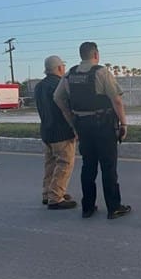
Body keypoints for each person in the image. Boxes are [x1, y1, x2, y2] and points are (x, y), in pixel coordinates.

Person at [54, 42, 131, 220]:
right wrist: (124, 124)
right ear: (95, 54)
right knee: (108, 167)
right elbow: (116, 100)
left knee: (88, 167)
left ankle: (87, 207)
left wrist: (72, 121)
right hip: (103, 125)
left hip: (82, 125)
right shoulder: (102, 72)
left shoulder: (69, 75)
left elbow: (58, 98)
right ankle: (114, 207)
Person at [34, 56, 77, 210]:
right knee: (64, 163)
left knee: (50, 164)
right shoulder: (60, 84)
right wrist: (74, 126)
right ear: (59, 68)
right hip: (62, 131)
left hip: (46, 130)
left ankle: (47, 193)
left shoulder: (39, 86)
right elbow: (67, 106)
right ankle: (56, 197)